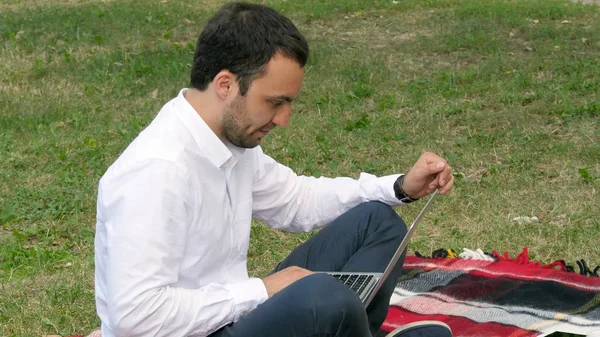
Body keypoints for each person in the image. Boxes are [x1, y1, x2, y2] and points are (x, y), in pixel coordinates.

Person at [93, 2, 455, 337]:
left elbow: (296, 201)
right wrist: (263, 290)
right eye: (274, 102)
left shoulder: (228, 137)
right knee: (321, 296)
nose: (283, 119)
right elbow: (135, 317)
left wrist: (400, 188)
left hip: (232, 316)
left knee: (377, 223)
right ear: (225, 85)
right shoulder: (157, 171)